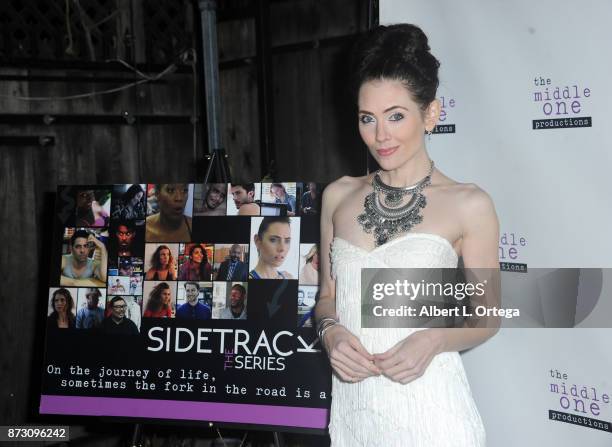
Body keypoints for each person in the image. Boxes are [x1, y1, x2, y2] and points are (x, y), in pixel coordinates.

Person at [314, 24, 500, 446]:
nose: (380, 136)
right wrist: (330, 332)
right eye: (368, 118)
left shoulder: (468, 204)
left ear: (430, 114)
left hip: (434, 414)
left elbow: (487, 317)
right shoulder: (338, 197)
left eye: (396, 116)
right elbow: (327, 296)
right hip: (357, 414)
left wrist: (434, 339)